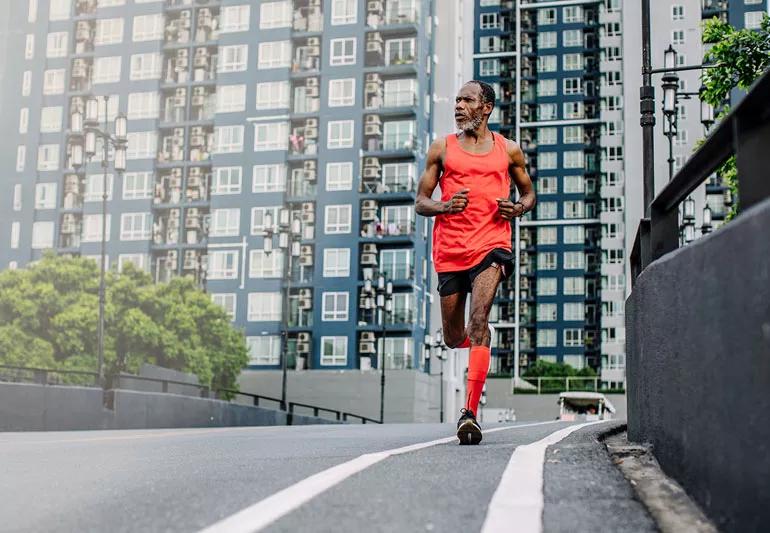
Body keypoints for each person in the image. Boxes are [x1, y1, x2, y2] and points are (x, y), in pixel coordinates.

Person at [415, 80, 535, 445]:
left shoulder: (509, 151)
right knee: (454, 337)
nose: (458, 106)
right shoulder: (443, 149)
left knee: (479, 320)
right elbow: (421, 201)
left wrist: (517, 208)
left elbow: (529, 193)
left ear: (486, 108)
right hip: (450, 250)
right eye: (456, 100)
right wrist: (444, 206)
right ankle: (477, 343)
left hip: (491, 244)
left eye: (467, 100)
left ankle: (469, 413)